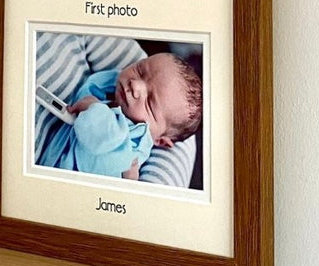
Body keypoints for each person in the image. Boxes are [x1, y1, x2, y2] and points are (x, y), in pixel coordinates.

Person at [37, 52, 202, 180]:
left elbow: (101, 142)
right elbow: (93, 86)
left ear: (159, 141)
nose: (135, 85)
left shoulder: (132, 143)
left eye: (150, 102)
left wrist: (93, 108)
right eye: (140, 70)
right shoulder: (113, 93)